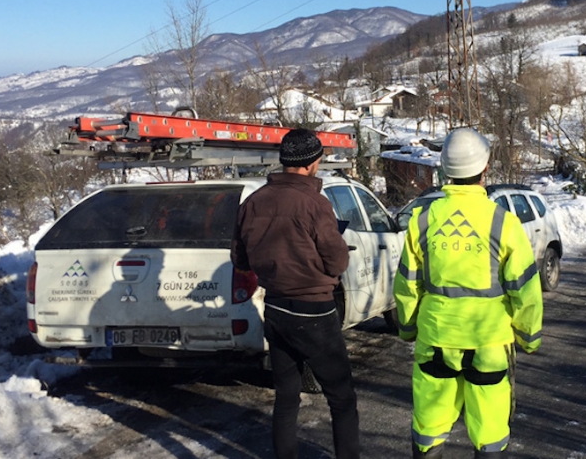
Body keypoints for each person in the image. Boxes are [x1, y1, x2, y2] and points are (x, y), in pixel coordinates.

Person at [393, 128, 543, 458]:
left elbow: (407, 285)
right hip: (488, 343)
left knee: (429, 430)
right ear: (485, 169)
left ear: (445, 170)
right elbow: (525, 288)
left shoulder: (423, 221)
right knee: (489, 433)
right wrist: (529, 336)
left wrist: (406, 328)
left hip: (435, 340)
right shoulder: (503, 223)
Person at [232, 128, 360, 459]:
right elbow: (337, 261)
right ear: (312, 163)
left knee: (286, 396)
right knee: (341, 397)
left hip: (275, 309)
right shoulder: (315, 204)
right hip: (315, 311)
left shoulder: (252, 202)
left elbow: (240, 259)